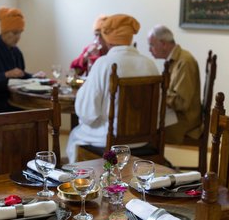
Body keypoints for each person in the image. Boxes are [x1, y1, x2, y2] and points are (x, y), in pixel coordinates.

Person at [66, 14, 159, 163]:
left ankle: (85, 181)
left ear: (108, 40)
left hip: (109, 139)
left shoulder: (103, 64)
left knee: (75, 135)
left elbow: (88, 113)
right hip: (143, 140)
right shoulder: (149, 64)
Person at [0, 7, 44, 114]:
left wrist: (33, 76)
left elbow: (19, 75)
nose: (18, 37)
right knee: (36, 113)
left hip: (15, 102)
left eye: (20, 33)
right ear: (4, 32)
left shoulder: (16, 52)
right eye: (14, 33)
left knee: (41, 111)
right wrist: (6, 74)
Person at [147, 25, 201, 144]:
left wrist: (158, 95)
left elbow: (182, 103)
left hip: (184, 120)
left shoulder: (185, 61)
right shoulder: (174, 60)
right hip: (176, 115)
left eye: (152, 45)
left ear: (164, 44)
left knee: (145, 128)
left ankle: (155, 160)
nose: (149, 50)